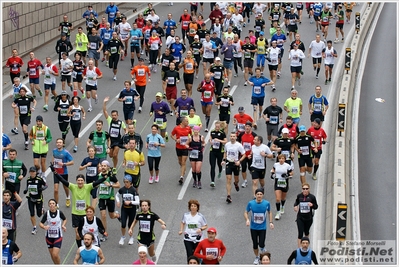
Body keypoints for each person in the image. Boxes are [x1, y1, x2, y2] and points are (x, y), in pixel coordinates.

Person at [50, 165, 107, 249]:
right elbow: (62, 180)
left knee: (86, 233)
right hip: (76, 214)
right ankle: (80, 248)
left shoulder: (88, 187)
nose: (80, 182)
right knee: (77, 234)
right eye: (78, 180)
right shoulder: (73, 187)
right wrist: (54, 172)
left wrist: (106, 176)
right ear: (76, 181)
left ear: (84, 181)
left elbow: (98, 182)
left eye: (81, 180)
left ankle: (89, 246)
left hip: (85, 214)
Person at [244, 188, 274, 265]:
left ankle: (263, 250)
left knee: (261, 243)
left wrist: (271, 222)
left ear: (263, 195)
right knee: (255, 244)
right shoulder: (251, 203)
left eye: (261, 194)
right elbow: (246, 212)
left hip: (262, 228)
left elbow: (270, 212)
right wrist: (247, 220)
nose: (259, 196)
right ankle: (257, 257)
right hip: (253, 227)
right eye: (258, 194)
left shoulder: (266, 203)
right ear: (255, 195)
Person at [103, 96, 127, 172]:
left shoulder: (121, 122)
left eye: (115, 115)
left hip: (118, 141)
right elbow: (104, 111)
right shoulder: (110, 120)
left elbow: (125, 129)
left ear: (117, 115)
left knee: (115, 154)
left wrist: (125, 133)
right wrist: (104, 102)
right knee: (110, 155)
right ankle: (114, 161)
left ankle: (114, 167)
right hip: (110, 140)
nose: (113, 116)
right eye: (112, 115)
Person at [97, 161, 120, 240]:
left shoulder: (111, 176)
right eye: (102, 165)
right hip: (102, 198)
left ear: (108, 167)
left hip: (110, 198)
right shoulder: (99, 175)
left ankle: (117, 215)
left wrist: (110, 185)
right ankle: (104, 234)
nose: (103, 167)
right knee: (103, 216)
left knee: (112, 216)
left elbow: (118, 185)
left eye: (105, 166)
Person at [39, 199, 67, 264]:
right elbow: (40, 223)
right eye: (50, 203)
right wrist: (44, 227)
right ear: (49, 205)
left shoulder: (59, 213)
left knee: (55, 254)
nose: (51, 205)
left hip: (58, 236)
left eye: (53, 203)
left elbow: (65, 219)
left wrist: (63, 225)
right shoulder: (47, 214)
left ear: (56, 205)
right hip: (49, 236)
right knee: (52, 255)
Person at [115, 175, 140, 246]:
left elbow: (138, 202)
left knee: (130, 225)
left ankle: (131, 237)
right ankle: (123, 237)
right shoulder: (122, 189)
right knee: (123, 224)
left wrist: (130, 202)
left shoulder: (134, 190)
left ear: (130, 182)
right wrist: (118, 201)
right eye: (124, 182)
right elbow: (117, 195)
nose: (125, 183)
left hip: (132, 209)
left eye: (127, 182)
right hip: (124, 209)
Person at [222, 132, 246, 203]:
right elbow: (225, 152)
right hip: (229, 163)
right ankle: (228, 196)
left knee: (236, 179)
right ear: (230, 137)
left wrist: (239, 161)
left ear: (236, 137)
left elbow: (244, 154)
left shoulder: (239, 145)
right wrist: (223, 160)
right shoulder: (227, 144)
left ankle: (236, 183)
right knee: (228, 179)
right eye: (231, 136)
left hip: (236, 164)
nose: (232, 137)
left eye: (234, 136)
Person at [23, 166, 47, 235]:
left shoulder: (39, 179)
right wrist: (25, 190)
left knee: (39, 214)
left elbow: (46, 185)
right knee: (32, 213)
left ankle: (43, 210)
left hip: (38, 198)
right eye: (31, 172)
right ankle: (34, 227)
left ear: (36, 172)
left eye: (33, 172)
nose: (32, 173)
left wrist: (42, 188)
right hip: (30, 198)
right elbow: (27, 187)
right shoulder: (28, 179)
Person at [294, 183, 318, 248]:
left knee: (306, 232)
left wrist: (312, 205)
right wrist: (295, 206)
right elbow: (296, 202)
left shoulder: (312, 197)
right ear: (302, 189)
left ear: (309, 189)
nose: (305, 190)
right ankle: (299, 250)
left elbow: (316, 207)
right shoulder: (299, 196)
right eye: (303, 189)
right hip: (300, 218)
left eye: (306, 189)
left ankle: (306, 246)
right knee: (300, 234)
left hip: (308, 218)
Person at [12, 86, 36, 150]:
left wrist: (33, 107)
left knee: (25, 128)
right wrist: (14, 106)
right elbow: (13, 104)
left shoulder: (29, 97)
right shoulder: (18, 98)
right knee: (23, 130)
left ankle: (26, 141)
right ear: (19, 93)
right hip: (21, 116)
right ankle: (27, 137)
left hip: (27, 115)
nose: (22, 93)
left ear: (25, 92)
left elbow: (34, 101)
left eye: (23, 91)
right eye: (21, 92)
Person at [271, 154, 293, 220]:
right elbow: (273, 170)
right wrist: (272, 174)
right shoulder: (275, 164)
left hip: (284, 182)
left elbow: (292, 173)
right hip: (277, 181)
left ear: (284, 159)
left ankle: (282, 206)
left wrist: (287, 174)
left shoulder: (287, 166)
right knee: (278, 198)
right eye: (280, 158)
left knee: (283, 198)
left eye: (282, 158)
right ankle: (278, 212)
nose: (281, 160)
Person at [171, 117, 192, 185]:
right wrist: (176, 139)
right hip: (178, 147)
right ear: (182, 122)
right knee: (180, 162)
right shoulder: (177, 128)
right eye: (186, 121)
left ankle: (181, 177)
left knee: (183, 162)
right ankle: (183, 169)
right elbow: (171, 135)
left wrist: (189, 139)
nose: (187, 123)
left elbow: (191, 135)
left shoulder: (188, 128)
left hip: (185, 147)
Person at [237, 122, 257, 188]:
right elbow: (238, 143)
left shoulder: (254, 135)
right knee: (243, 168)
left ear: (251, 127)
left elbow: (257, 145)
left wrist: (252, 153)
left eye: (248, 126)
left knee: (251, 168)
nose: (247, 128)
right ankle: (245, 181)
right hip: (243, 155)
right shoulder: (241, 134)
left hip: (251, 155)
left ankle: (253, 178)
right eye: (246, 126)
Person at [209, 121, 227, 187]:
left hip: (220, 151)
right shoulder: (212, 131)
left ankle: (220, 171)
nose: (217, 128)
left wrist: (219, 140)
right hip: (212, 151)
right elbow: (210, 138)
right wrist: (210, 141)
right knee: (212, 166)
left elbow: (225, 141)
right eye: (216, 126)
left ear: (220, 127)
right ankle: (212, 181)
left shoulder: (222, 133)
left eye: (218, 127)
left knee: (219, 164)